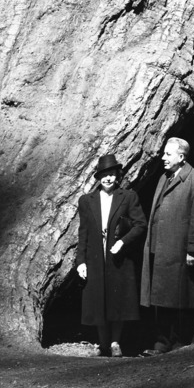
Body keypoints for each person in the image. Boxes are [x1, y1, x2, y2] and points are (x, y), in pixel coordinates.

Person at [140, 134, 194, 352]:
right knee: (160, 298)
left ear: (181, 157)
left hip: (179, 251)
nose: (163, 158)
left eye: (167, 154)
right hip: (159, 249)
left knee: (181, 298)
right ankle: (161, 341)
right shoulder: (164, 178)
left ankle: (179, 341)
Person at [75, 152, 146, 356]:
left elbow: (141, 224)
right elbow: (84, 232)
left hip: (118, 258)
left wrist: (123, 242)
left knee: (118, 300)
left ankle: (115, 342)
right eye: (104, 175)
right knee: (99, 299)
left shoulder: (128, 197)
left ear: (118, 175)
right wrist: (81, 261)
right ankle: (103, 342)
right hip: (95, 258)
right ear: (98, 177)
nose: (108, 178)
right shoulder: (87, 201)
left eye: (112, 174)